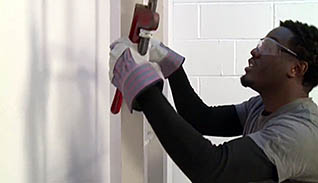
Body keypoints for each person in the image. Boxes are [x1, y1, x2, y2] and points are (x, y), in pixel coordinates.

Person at [108, 20, 318, 183]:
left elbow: (212, 170)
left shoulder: (300, 132)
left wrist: (140, 87)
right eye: (260, 44)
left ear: (297, 69)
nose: (255, 51)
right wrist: (168, 62)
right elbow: (201, 118)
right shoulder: (262, 106)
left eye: (268, 47)